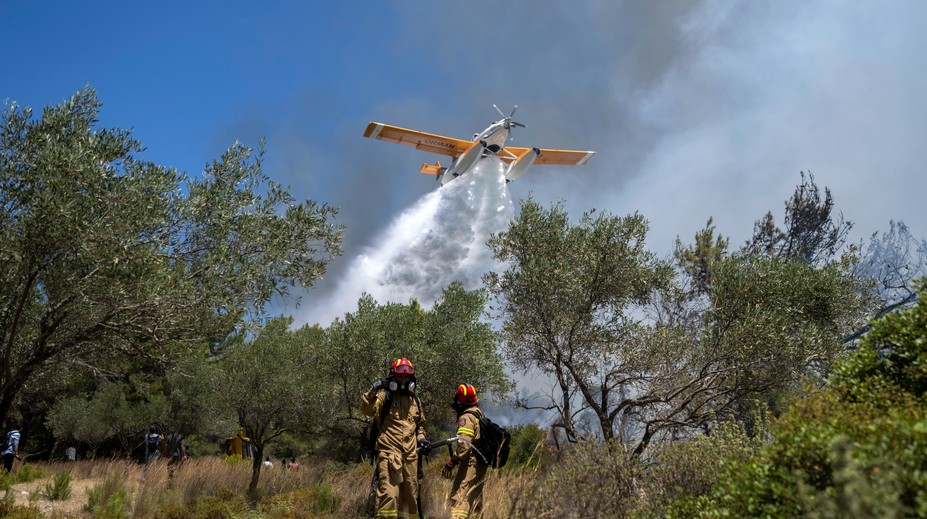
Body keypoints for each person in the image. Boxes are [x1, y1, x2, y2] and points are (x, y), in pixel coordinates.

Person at [361, 357, 429, 519]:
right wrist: (374, 389)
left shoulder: (415, 401)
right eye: (400, 377)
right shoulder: (384, 398)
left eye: (407, 377)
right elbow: (367, 410)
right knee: (389, 497)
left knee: (410, 502)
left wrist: (422, 440)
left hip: (411, 457)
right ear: (393, 377)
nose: (404, 380)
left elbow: (419, 426)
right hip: (389, 455)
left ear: (411, 378)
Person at [442, 384, 488, 519]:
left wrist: (452, 461)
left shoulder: (466, 417)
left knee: (459, 497)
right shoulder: (478, 413)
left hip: (470, 463)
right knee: (475, 499)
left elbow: (465, 445)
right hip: (479, 464)